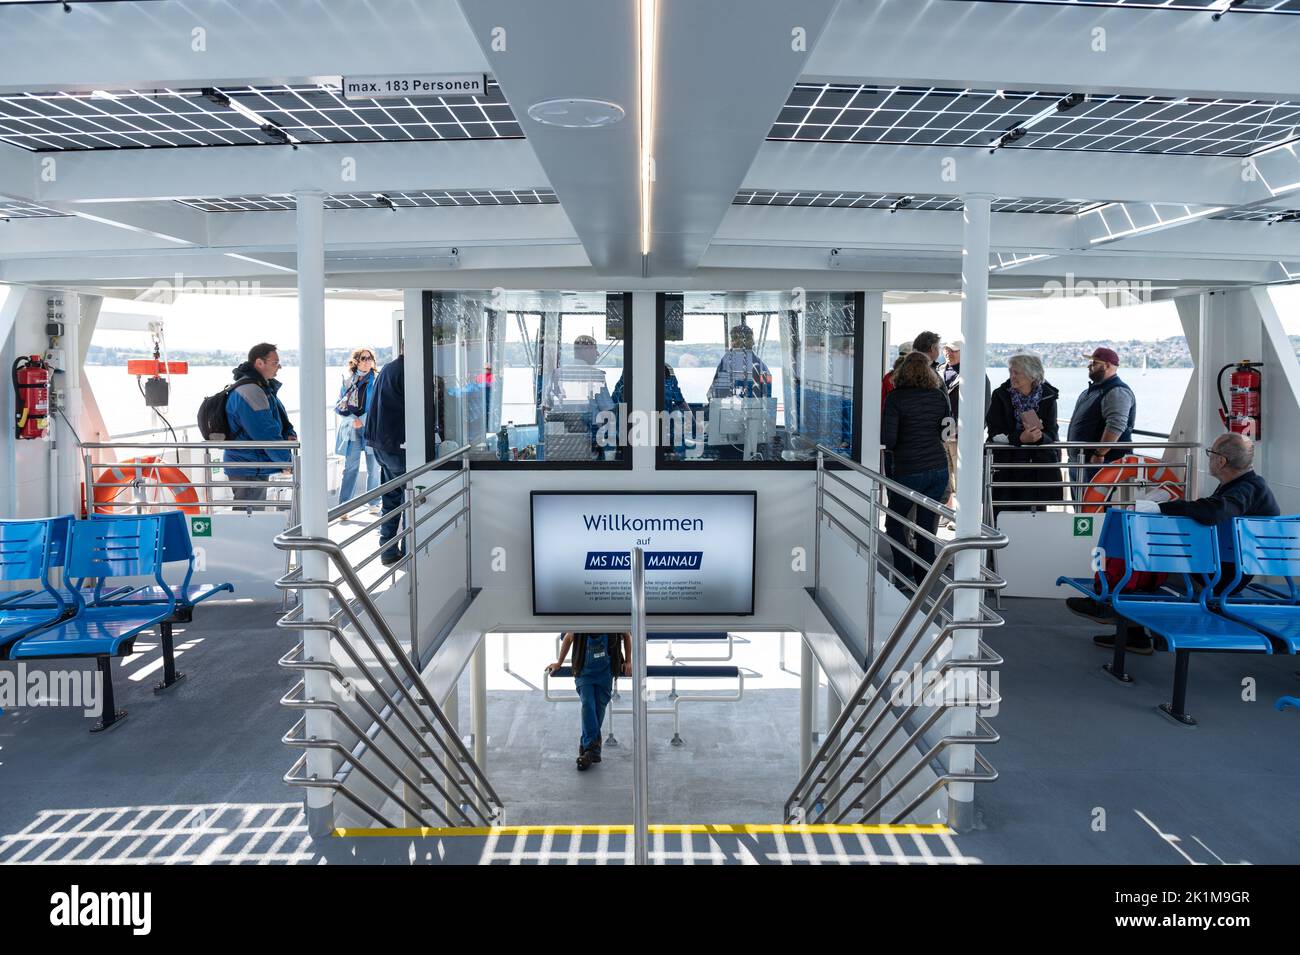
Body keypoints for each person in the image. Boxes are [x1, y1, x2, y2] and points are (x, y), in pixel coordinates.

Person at [1068, 433, 1281, 653]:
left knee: (1141, 560)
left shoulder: (1247, 490)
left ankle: (1111, 609)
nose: (1209, 458)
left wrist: (1163, 507)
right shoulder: (1246, 486)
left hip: (1220, 578)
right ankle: (1129, 627)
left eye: (1211, 453)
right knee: (1146, 556)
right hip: (1224, 570)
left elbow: (1215, 511)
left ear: (1221, 461)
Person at [881, 351, 951, 587]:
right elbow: (945, 432)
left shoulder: (896, 399)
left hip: (909, 469)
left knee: (894, 523)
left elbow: (889, 440)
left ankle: (904, 574)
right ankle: (924, 579)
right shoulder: (939, 397)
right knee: (925, 526)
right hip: (938, 467)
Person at [986, 353, 1062, 514]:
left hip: (1039, 468)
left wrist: (1040, 437)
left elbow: (1052, 432)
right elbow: (994, 431)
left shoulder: (1048, 396)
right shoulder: (1001, 395)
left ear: (1032, 375)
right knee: (1004, 515)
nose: (1012, 376)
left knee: (1036, 518)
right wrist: (1020, 438)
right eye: (1011, 372)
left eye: (1017, 373)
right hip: (1008, 467)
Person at [223, 343, 296, 511]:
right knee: (249, 519)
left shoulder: (258, 387)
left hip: (250, 464)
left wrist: (288, 434)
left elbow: (276, 419)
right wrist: (287, 462)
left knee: (251, 517)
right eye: (275, 362)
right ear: (259, 363)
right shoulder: (251, 391)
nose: (279, 367)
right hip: (247, 466)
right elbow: (265, 433)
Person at [546, 631, 632, 770]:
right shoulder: (582, 623)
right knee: (588, 705)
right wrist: (559, 663)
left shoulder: (611, 621)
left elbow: (627, 635)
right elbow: (568, 638)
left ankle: (587, 747)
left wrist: (628, 661)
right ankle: (591, 750)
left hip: (605, 674)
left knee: (598, 709)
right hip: (584, 673)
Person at [1067, 347, 1136, 504]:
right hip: (1081, 461)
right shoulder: (1091, 391)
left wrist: (1099, 453)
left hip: (1097, 462)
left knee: (1094, 509)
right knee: (1081, 509)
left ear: (1108, 365)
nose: (1089, 366)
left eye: (1094, 363)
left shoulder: (1117, 391)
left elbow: (1116, 424)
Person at [363, 352, 406, 565]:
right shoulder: (408, 371)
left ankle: (388, 551)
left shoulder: (388, 368)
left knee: (391, 500)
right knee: (410, 499)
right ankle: (409, 549)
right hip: (397, 445)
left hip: (380, 443)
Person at [543, 334, 614, 460]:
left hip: (558, 446)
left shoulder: (557, 374)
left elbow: (547, 407)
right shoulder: (596, 376)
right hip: (587, 446)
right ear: (586, 351)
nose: (597, 354)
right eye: (595, 349)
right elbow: (607, 412)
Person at [335, 347, 379, 505]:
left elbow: (380, 405)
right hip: (352, 428)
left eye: (370, 358)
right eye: (364, 358)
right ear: (356, 361)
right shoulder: (348, 380)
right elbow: (339, 404)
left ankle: (374, 503)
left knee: (373, 468)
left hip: (371, 428)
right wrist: (352, 420)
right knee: (350, 468)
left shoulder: (377, 379)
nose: (367, 361)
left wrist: (364, 419)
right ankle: (344, 505)